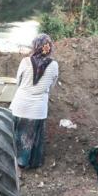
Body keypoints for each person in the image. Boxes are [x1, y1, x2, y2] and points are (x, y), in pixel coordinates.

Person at [9, 34, 60, 170]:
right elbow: (52, 86)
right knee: (32, 137)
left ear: (35, 46)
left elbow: (18, 82)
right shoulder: (54, 65)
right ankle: (30, 163)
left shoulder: (25, 62)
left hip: (20, 105)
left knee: (15, 133)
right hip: (38, 108)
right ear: (49, 47)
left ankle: (12, 161)